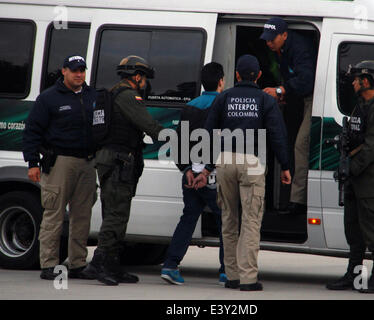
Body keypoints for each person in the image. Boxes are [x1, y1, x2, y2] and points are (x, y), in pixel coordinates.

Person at [201, 55, 291, 291]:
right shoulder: (265, 100)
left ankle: (232, 277)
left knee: (229, 220)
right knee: (250, 222)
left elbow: (208, 133)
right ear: (259, 76)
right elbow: (277, 136)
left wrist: (208, 166)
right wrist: (286, 166)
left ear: (237, 75)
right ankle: (248, 279)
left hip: (225, 161)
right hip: (252, 162)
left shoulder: (224, 98)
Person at [82, 55, 164, 286]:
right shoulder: (128, 96)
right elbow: (148, 125)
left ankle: (113, 264)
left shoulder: (111, 94)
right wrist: (179, 140)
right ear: (136, 77)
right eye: (144, 78)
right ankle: (100, 263)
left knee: (114, 212)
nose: (146, 83)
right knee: (117, 215)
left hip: (109, 159)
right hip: (119, 161)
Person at [23, 55, 97, 280]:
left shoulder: (92, 95)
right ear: (63, 71)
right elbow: (32, 131)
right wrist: (33, 162)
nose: (79, 74)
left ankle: (77, 264)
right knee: (54, 215)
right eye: (74, 70)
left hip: (87, 163)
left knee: (82, 216)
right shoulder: (49, 98)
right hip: (59, 163)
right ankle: (49, 264)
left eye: (82, 70)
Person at [326, 60, 374, 294]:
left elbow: (373, 146)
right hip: (356, 174)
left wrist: (351, 168)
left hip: (371, 175)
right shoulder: (361, 106)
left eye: (357, 79)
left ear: (367, 81)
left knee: (372, 225)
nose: (353, 82)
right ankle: (354, 274)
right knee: (353, 227)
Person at [160, 62, 227, 286]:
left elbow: (177, 143)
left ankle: (170, 265)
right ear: (221, 81)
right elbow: (220, 142)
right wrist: (207, 170)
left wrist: (187, 169)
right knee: (225, 221)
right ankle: (226, 270)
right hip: (212, 176)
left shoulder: (190, 106)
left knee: (188, 217)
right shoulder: (222, 105)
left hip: (191, 174)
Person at [261, 17, 316, 215]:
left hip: (313, 98)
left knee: (301, 145)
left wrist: (280, 90)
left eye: (272, 39)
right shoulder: (280, 49)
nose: (268, 43)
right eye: (266, 39)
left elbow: (307, 81)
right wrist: (284, 94)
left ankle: (298, 202)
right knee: (290, 141)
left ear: (284, 35)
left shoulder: (300, 48)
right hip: (298, 98)